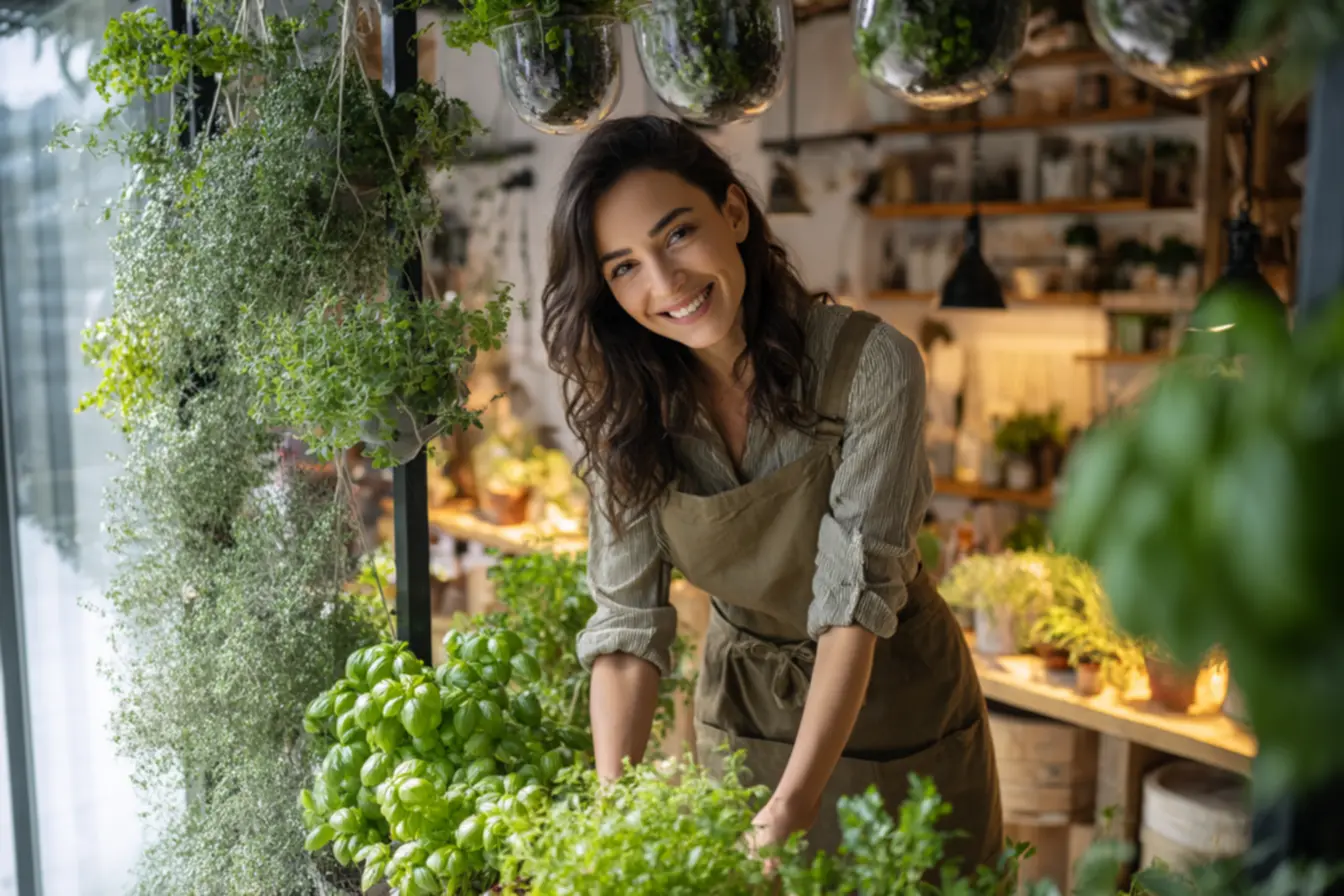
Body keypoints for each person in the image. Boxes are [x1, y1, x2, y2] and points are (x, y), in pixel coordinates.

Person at [540, 114, 1003, 865]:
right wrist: (611, 821)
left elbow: (852, 602)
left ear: (733, 212)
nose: (665, 284)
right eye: (624, 267)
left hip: (892, 701)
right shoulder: (625, 412)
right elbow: (626, 630)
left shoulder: (871, 365)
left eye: (677, 235)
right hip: (745, 713)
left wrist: (792, 802)